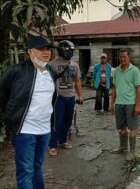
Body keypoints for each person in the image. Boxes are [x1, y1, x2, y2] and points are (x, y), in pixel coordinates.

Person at [0, 36, 56, 189]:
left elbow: (51, 99)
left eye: (48, 49)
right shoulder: (16, 71)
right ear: (30, 52)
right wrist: (11, 119)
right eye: (41, 49)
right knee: (26, 170)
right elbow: (2, 95)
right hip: (25, 130)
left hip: (44, 130)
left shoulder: (50, 71)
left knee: (37, 166)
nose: (46, 52)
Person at [48, 40, 83, 156]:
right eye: (68, 50)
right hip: (59, 98)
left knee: (68, 121)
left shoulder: (74, 65)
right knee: (57, 122)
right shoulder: (52, 65)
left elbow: (77, 81)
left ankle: (62, 141)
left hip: (71, 97)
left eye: (72, 51)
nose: (70, 53)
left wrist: (80, 95)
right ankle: (52, 145)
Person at [110, 48, 140, 161]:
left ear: (129, 57)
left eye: (125, 57)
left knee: (132, 127)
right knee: (121, 127)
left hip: (130, 103)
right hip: (119, 103)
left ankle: (132, 151)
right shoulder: (116, 71)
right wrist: (112, 103)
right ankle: (123, 147)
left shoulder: (134, 70)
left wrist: (137, 105)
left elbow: (138, 89)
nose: (122, 59)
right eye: (121, 57)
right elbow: (114, 88)